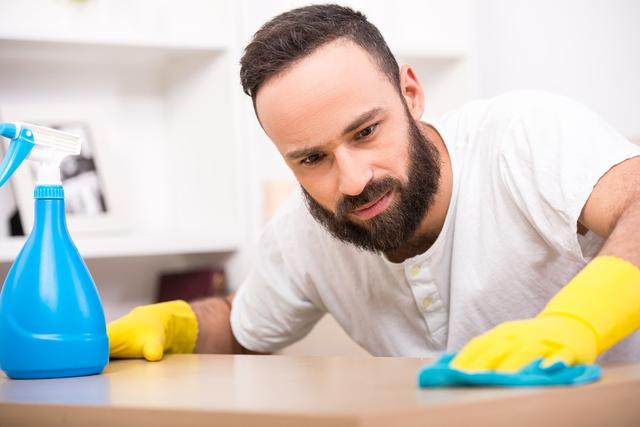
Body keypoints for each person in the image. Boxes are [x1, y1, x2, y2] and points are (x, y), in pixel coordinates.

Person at [108, 4, 640, 371]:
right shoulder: (301, 234)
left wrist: (576, 323)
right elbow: (242, 327)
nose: (354, 180)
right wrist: (175, 325)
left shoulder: (521, 135)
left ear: (411, 93)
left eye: (366, 132)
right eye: (312, 158)